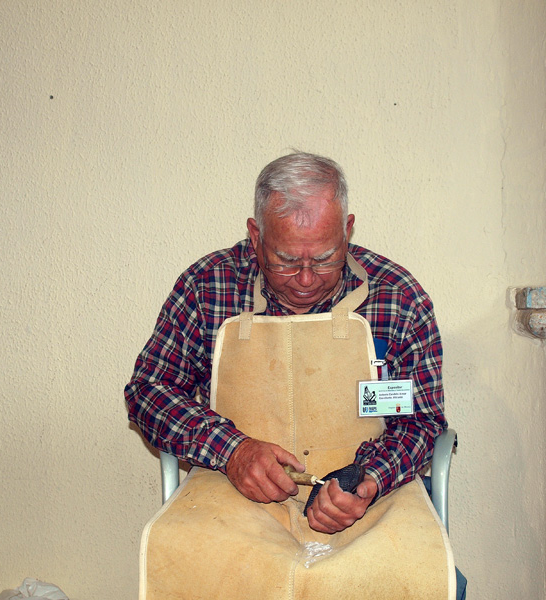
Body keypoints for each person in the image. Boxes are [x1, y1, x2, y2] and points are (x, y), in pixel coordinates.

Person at [125, 151, 446, 534]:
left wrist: (368, 480)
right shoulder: (208, 286)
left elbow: (423, 423)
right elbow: (148, 392)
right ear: (256, 236)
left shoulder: (398, 298)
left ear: (348, 230)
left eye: (326, 259)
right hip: (233, 499)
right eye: (285, 261)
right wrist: (231, 450)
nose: (307, 279)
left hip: (364, 506)